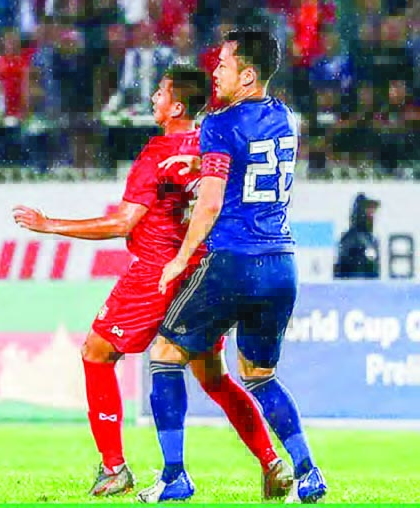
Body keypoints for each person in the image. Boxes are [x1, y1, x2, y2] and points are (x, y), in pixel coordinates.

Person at [12, 65, 288, 500]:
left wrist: (50, 225)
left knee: (96, 353)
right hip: (202, 274)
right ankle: (271, 462)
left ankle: (114, 468)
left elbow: (122, 222)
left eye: (160, 92)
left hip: (155, 273)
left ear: (176, 107)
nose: (153, 98)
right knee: (213, 376)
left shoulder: (157, 153)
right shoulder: (212, 144)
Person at [152, 28, 327, 503]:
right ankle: (307, 471)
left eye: (224, 65)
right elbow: (250, 165)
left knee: (165, 354)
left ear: (247, 75)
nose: (215, 72)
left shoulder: (219, 123)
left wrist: (180, 259)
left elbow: (210, 204)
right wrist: (204, 168)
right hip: (281, 264)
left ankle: (174, 477)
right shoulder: (286, 118)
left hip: (234, 259)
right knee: (259, 375)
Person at [333, 193, 381, 279]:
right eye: (369, 210)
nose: (372, 215)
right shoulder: (350, 238)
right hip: (354, 285)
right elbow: (342, 270)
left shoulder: (370, 239)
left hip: (368, 285)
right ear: (361, 212)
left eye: (372, 211)